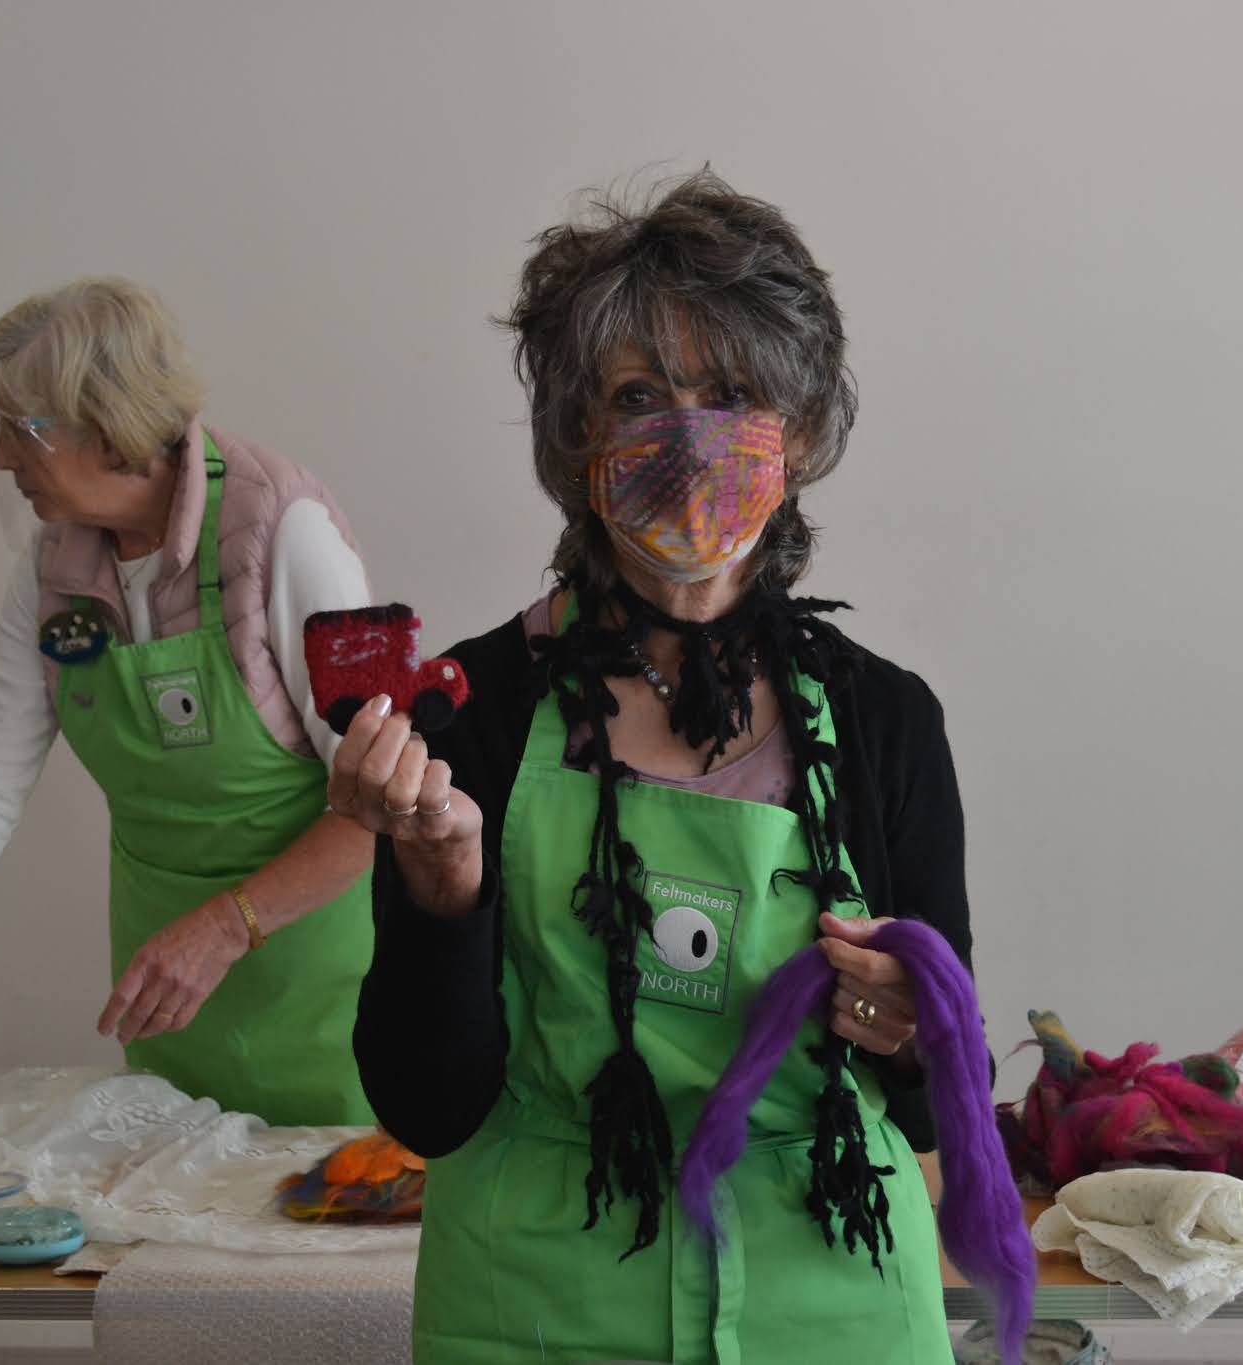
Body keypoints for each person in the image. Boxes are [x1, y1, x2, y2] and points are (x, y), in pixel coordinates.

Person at [343, 174, 977, 1362]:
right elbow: (425, 1107)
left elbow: (947, 1099)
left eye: (730, 394)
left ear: (797, 434)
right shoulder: (474, 711)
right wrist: (442, 886)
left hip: (827, 1293)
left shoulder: (882, 719)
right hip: (535, 1303)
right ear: (579, 440)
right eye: (638, 397)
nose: (687, 438)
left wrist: (908, 1028)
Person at [0, 277, 378, 1125]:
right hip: (171, 1012)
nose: (2, 459)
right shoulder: (53, 568)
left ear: (109, 431)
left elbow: (384, 805)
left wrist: (227, 926)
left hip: (336, 1006)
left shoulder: (284, 533)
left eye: (21, 429)